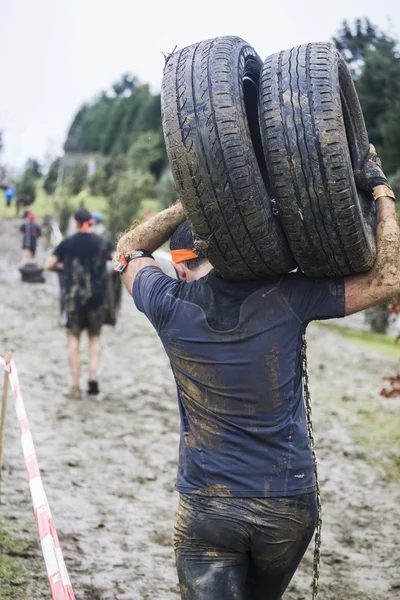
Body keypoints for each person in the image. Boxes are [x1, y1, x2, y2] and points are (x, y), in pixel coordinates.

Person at [113, 145, 399, 600]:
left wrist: (197, 199)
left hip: (211, 509)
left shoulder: (167, 305)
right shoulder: (288, 292)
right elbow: (389, 278)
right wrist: (381, 190)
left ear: (182, 263)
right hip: (288, 508)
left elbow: (127, 249)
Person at [45, 208, 114, 399]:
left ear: (76, 223)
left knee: (73, 339)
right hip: (97, 297)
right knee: (95, 337)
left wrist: (64, 268)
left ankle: (75, 388)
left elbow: (48, 264)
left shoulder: (67, 243)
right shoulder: (102, 243)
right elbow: (117, 262)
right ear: (90, 222)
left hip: (73, 298)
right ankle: (93, 377)